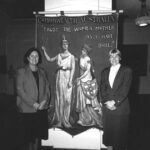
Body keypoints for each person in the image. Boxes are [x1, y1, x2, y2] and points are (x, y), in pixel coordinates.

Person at [16, 47, 50, 150]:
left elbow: (47, 89)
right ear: (27, 58)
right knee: (29, 137)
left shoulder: (43, 72)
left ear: (39, 58)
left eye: (37, 56)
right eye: (32, 56)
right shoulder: (21, 71)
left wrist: (44, 101)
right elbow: (20, 90)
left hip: (41, 109)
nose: (34, 58)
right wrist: (33, 104)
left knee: (38, 135)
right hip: (27, 109)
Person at [100, 49, 132, 150]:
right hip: (107, 109)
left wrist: (114, 102)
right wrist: (106, 102)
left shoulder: (127, 70)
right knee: (109, 137)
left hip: (120, 109)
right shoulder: (104, 71)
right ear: (109, 59)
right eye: (111, 56)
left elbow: (125, 89)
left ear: (120, 58)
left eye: (116, 56)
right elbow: (102, 89)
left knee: (119, 140)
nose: (113, 59)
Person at [41, 35, 75, 128]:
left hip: (67, 77)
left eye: (66, 44)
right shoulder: (59, 55)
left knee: (67, 100)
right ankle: (59, 120)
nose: (65, 45)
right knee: (60, 98)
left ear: (68, 45)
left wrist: (70, 81)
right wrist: (44, 51)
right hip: (60, 77)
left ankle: (66, 120)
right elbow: (50, 59)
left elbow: (73, 69)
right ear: (61, 45)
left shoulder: (71, 56)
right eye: (63, 44)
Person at [76, 44, 103, 128]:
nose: (82, 52)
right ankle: (83, 119)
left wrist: (80, 78)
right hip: (82, 80)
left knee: (88, 101)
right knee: (82, 101)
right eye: (82, 50)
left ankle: (92, 119)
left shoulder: (88, 59)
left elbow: (87, 71)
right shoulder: (81, 57)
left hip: (87, 81)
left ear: (87, 52)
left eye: (84, 51)